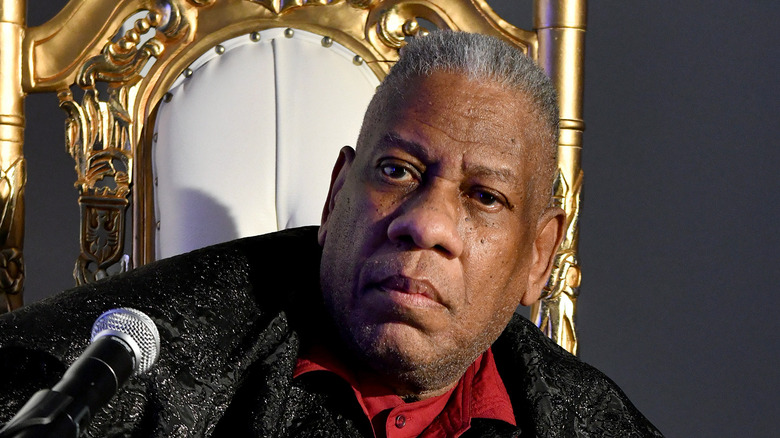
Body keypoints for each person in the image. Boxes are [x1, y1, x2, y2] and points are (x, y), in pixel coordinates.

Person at [0, 31, 662, 437]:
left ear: (539, 255)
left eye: (484, 197)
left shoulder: (586, 419)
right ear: (338, 189)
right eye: (397, 171)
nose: (425, 224)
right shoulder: (152, 359)